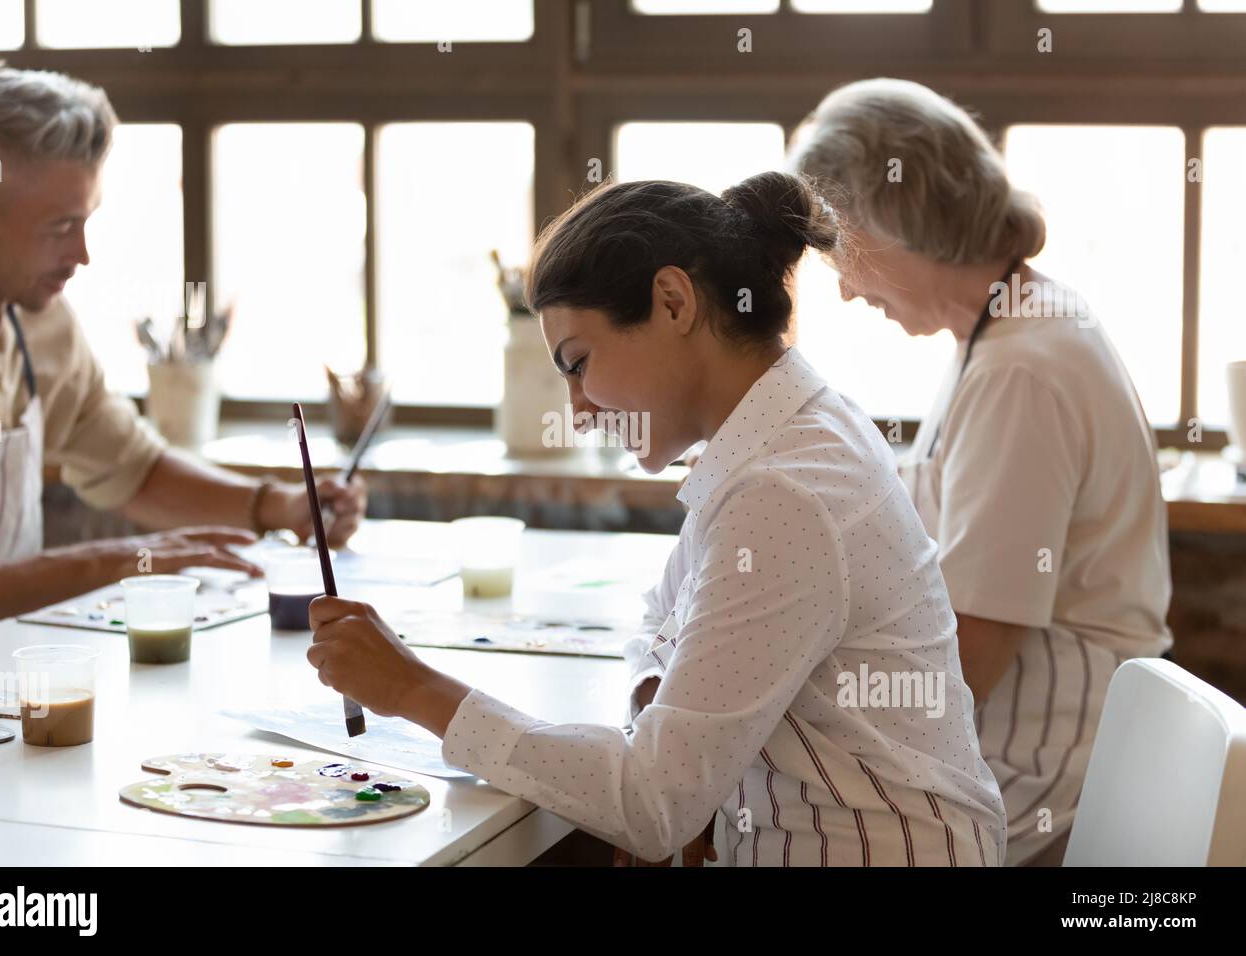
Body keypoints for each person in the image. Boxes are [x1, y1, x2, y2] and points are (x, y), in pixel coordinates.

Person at [306, 171, 1006, 866]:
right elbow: (659, 619)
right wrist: (671, 713)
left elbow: (652, 807)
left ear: (672, 302)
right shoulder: (781, 435)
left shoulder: (785, 489)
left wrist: (412, 689)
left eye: (579, 363)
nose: (577, 409)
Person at [788, 78, 1173, 864]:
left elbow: (977, 649)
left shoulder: (1021, 369)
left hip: (1053, 766)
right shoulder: (1008, 326)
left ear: (899, 222)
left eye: (844, 252)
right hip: (1061, 739)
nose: (849, 288)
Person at [0, 61, 367, 633]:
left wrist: (282, 507)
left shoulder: (43, 327)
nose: (82, 254)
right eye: (59, 227)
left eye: (87, 221)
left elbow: (133, 468)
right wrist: (122, 561)